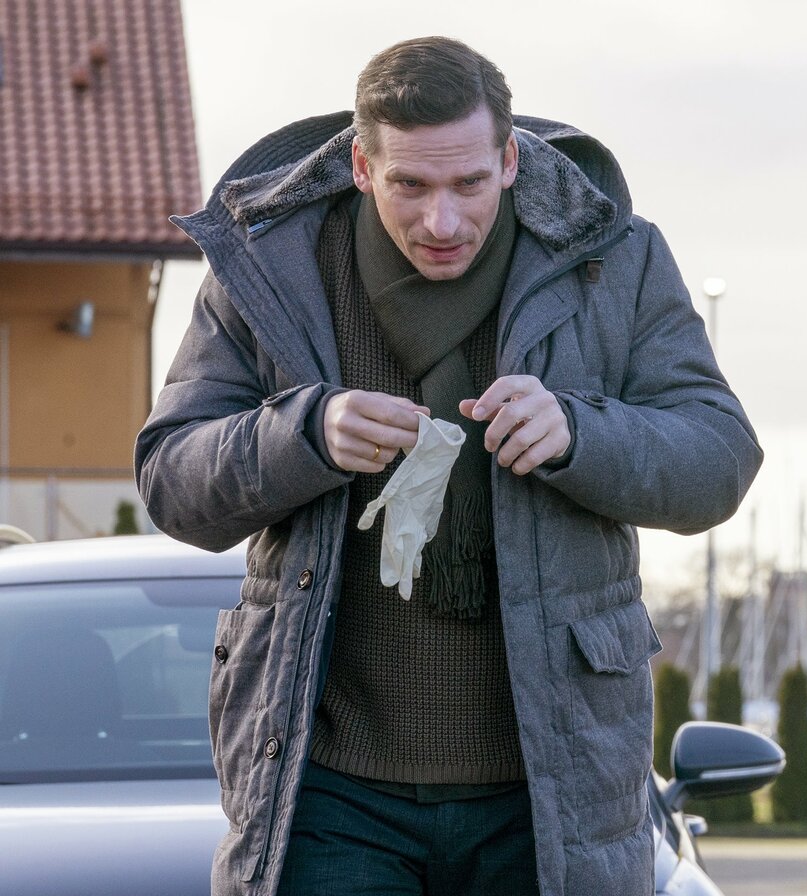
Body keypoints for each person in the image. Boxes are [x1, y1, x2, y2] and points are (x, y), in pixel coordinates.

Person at [136, 36, 760, 896]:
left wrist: (580, 434)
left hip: (551, 796)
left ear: (509, 161)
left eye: (469, 184)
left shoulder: (616, 257)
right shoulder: (269, 265)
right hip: (326, 793)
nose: (442, 222)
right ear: (362, 166)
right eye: (411, 186)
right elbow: (170, 479)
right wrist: (303, 434)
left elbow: (720, 456)